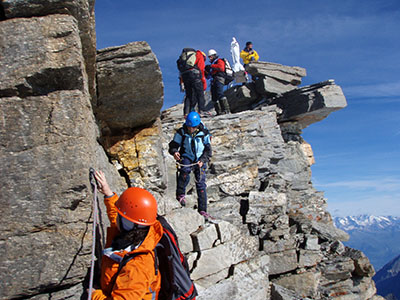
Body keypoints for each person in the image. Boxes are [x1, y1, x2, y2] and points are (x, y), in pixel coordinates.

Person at [91, 170, 163, 300]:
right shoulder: (138, 233)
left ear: (129, 224)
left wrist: (94, 296)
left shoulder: (138, 266)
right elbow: (119, 218)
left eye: (120, 215)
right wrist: (108, 194)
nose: (117, 217)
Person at [168, 111, 212, 220]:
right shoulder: (182, 132)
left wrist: (202, 160)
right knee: (184, 171)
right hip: (186, 156)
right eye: (189, 127)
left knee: (201, 183)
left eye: (192, 127)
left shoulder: (205, 133)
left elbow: (208, 150)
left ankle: (202, 210)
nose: (190, 129)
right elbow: (173, 144)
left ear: (197, 126)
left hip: (200, 159)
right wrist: (175, 152)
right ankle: (180, 194)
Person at [177, 49, 207, 117]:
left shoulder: (184, 58)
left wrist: (181, 82)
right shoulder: (199, 54)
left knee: (188, 95)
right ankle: (202, 111)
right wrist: (203, 82)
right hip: (194, 74)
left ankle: (186, 113)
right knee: (200, 93)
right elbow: (201, 68)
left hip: (185, 76)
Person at [206, 49, 231, 115]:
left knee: (220, 93)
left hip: (219, 79)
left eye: (210, 56)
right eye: (209, 57)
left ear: (214, 56)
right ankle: (219, 112)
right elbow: (209, 76)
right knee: (214, 96)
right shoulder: (214, 63)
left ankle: (226, 110)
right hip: (214, 80)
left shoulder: (219, 61)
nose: (210, 58)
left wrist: (211, 66)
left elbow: (221, 68)